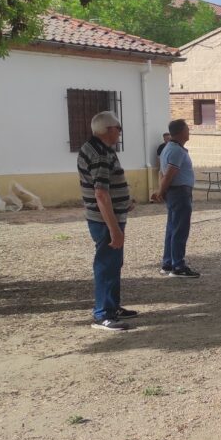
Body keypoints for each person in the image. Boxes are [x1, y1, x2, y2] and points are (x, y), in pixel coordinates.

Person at [78, 111, 136, 331]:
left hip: (109, 216)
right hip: (104, 221)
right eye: (118, 128)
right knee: (107, 265)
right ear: (107, 129)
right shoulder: (100, 154)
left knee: (113, 263)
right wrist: (114, 229)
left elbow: (106, 188)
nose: (120, 132)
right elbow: (101, 193)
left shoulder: (98, 149)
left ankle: (112, 307)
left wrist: (123, 201)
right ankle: (103, 314)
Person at [151, 119, 200, 278]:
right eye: (187, 129)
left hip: (175, 192)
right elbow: (169, 174)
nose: (189, 132)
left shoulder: (168, 148)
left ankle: (168, 263)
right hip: (179, 192)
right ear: (181, 132)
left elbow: (162, 173)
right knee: (180, 229)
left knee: (172, 229)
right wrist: (160, 191)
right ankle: (178, 265)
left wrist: (162, 190)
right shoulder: (176, 151)